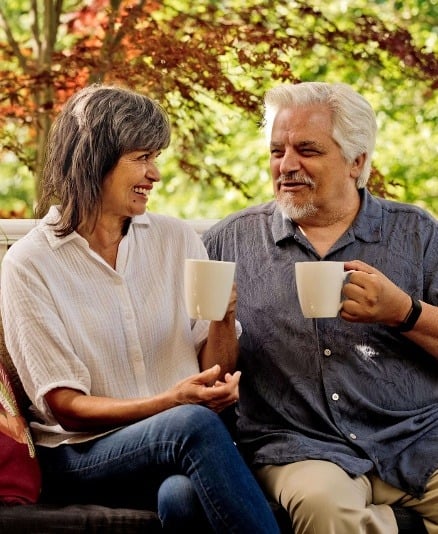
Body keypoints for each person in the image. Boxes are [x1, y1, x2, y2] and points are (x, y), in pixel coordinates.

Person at [0, 84, 280, 534]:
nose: (156, 174)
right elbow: (66, 405)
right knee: (190, 423)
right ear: (93, 159)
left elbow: (215, 368)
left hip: (177, 444)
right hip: (81, 454)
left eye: (156, 157)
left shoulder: (176, 239)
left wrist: (223, 318)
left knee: (181, 497)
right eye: (142, 157)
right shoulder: (30, 264)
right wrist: (173, 402)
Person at [203, 81, 438, 533]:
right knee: (324, 507)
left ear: (357, 162)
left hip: (417, 441)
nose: (287, 166)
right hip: (299, 447)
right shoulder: (229, 242)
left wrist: (403, 312)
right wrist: (222, 321)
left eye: (307, 150)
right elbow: (209, 380)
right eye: (277, 152)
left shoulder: (417, 235)